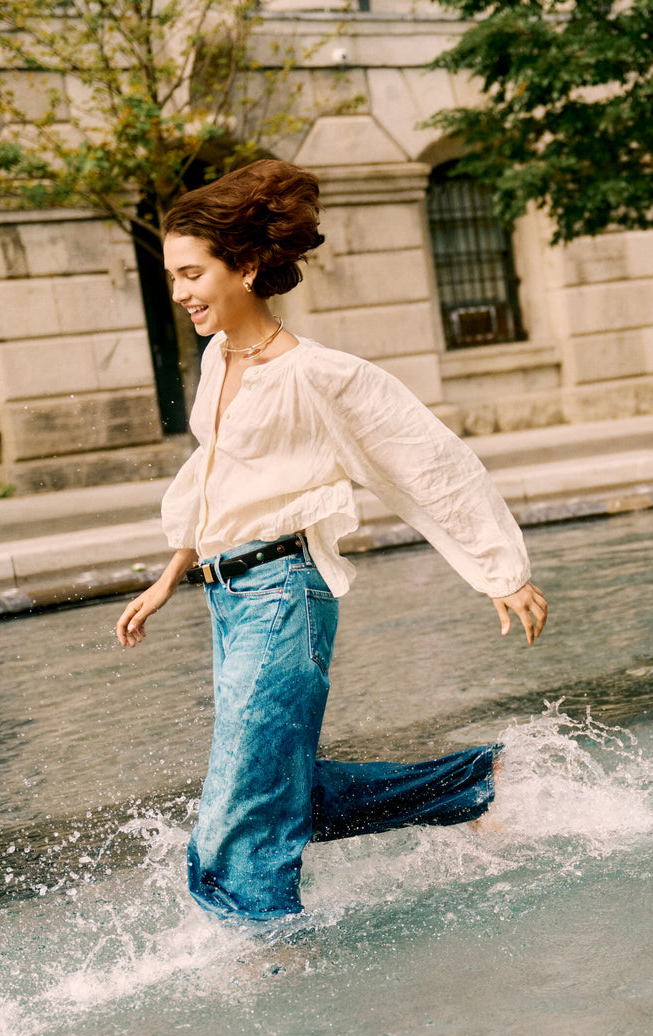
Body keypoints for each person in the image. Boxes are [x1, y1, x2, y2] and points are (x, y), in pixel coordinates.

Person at [115, 158, 548, 923]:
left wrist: (500, 570)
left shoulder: (321, 377)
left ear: (244, 266)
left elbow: (429, 462)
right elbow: (213, 479)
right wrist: (168, 575)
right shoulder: (218, 358)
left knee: (244, 797)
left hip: (286, 593)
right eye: (172, 277)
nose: (179, 293)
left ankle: (265, 944)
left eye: (191, 274)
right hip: (229, 596)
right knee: (276, 781)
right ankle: (478, 784)